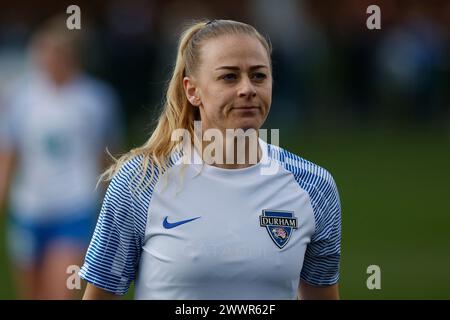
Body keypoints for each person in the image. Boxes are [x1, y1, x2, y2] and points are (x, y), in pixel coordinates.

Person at [79, 19, 341, 300]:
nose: (247, 89)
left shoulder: (313, 185)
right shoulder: (140, 180)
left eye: (259, 76)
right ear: (192, 90)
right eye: (229, 77)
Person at [0, 16, 123, 299]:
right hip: (29, 208)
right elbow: (9, 152)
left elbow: (106, 156)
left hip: (74, 206)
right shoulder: (21, 97)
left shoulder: (96, 99)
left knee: (62, 292)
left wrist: (113, 202)